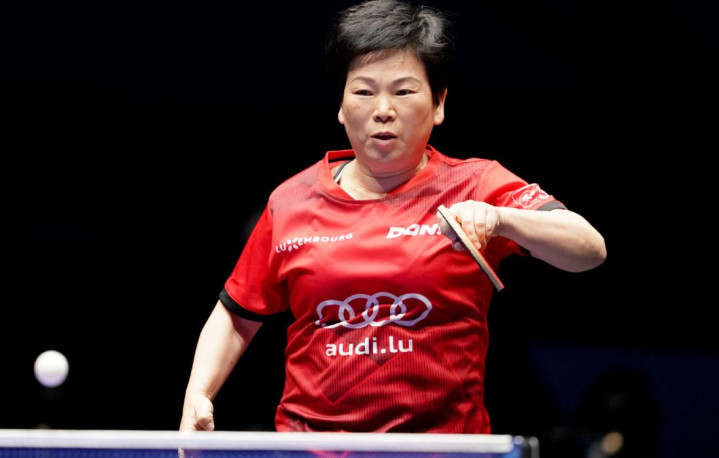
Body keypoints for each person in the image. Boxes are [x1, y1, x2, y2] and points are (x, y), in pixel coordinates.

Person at [179, 0, 606, 434]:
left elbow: (588, 250)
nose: (383, 109)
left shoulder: (476, 184)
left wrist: (500, 219)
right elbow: (236, 314)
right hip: (311, 446)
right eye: (364, 92)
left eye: (403, 92)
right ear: (342, 106)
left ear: (438, 104)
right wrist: (198, 394)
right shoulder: (291, 200)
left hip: (441, 447)